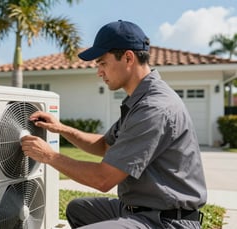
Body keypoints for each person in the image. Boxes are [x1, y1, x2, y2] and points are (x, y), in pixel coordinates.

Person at [21, 20, 207, 229]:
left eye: (102, 63)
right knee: (78, 209)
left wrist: (49, 156)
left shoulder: (154, 108)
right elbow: (104, 146)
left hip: (166, 221)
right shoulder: (139, 100)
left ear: (128, 57)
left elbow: (103, 179)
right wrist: (61, 128)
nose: (99, 72)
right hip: (138, 208)